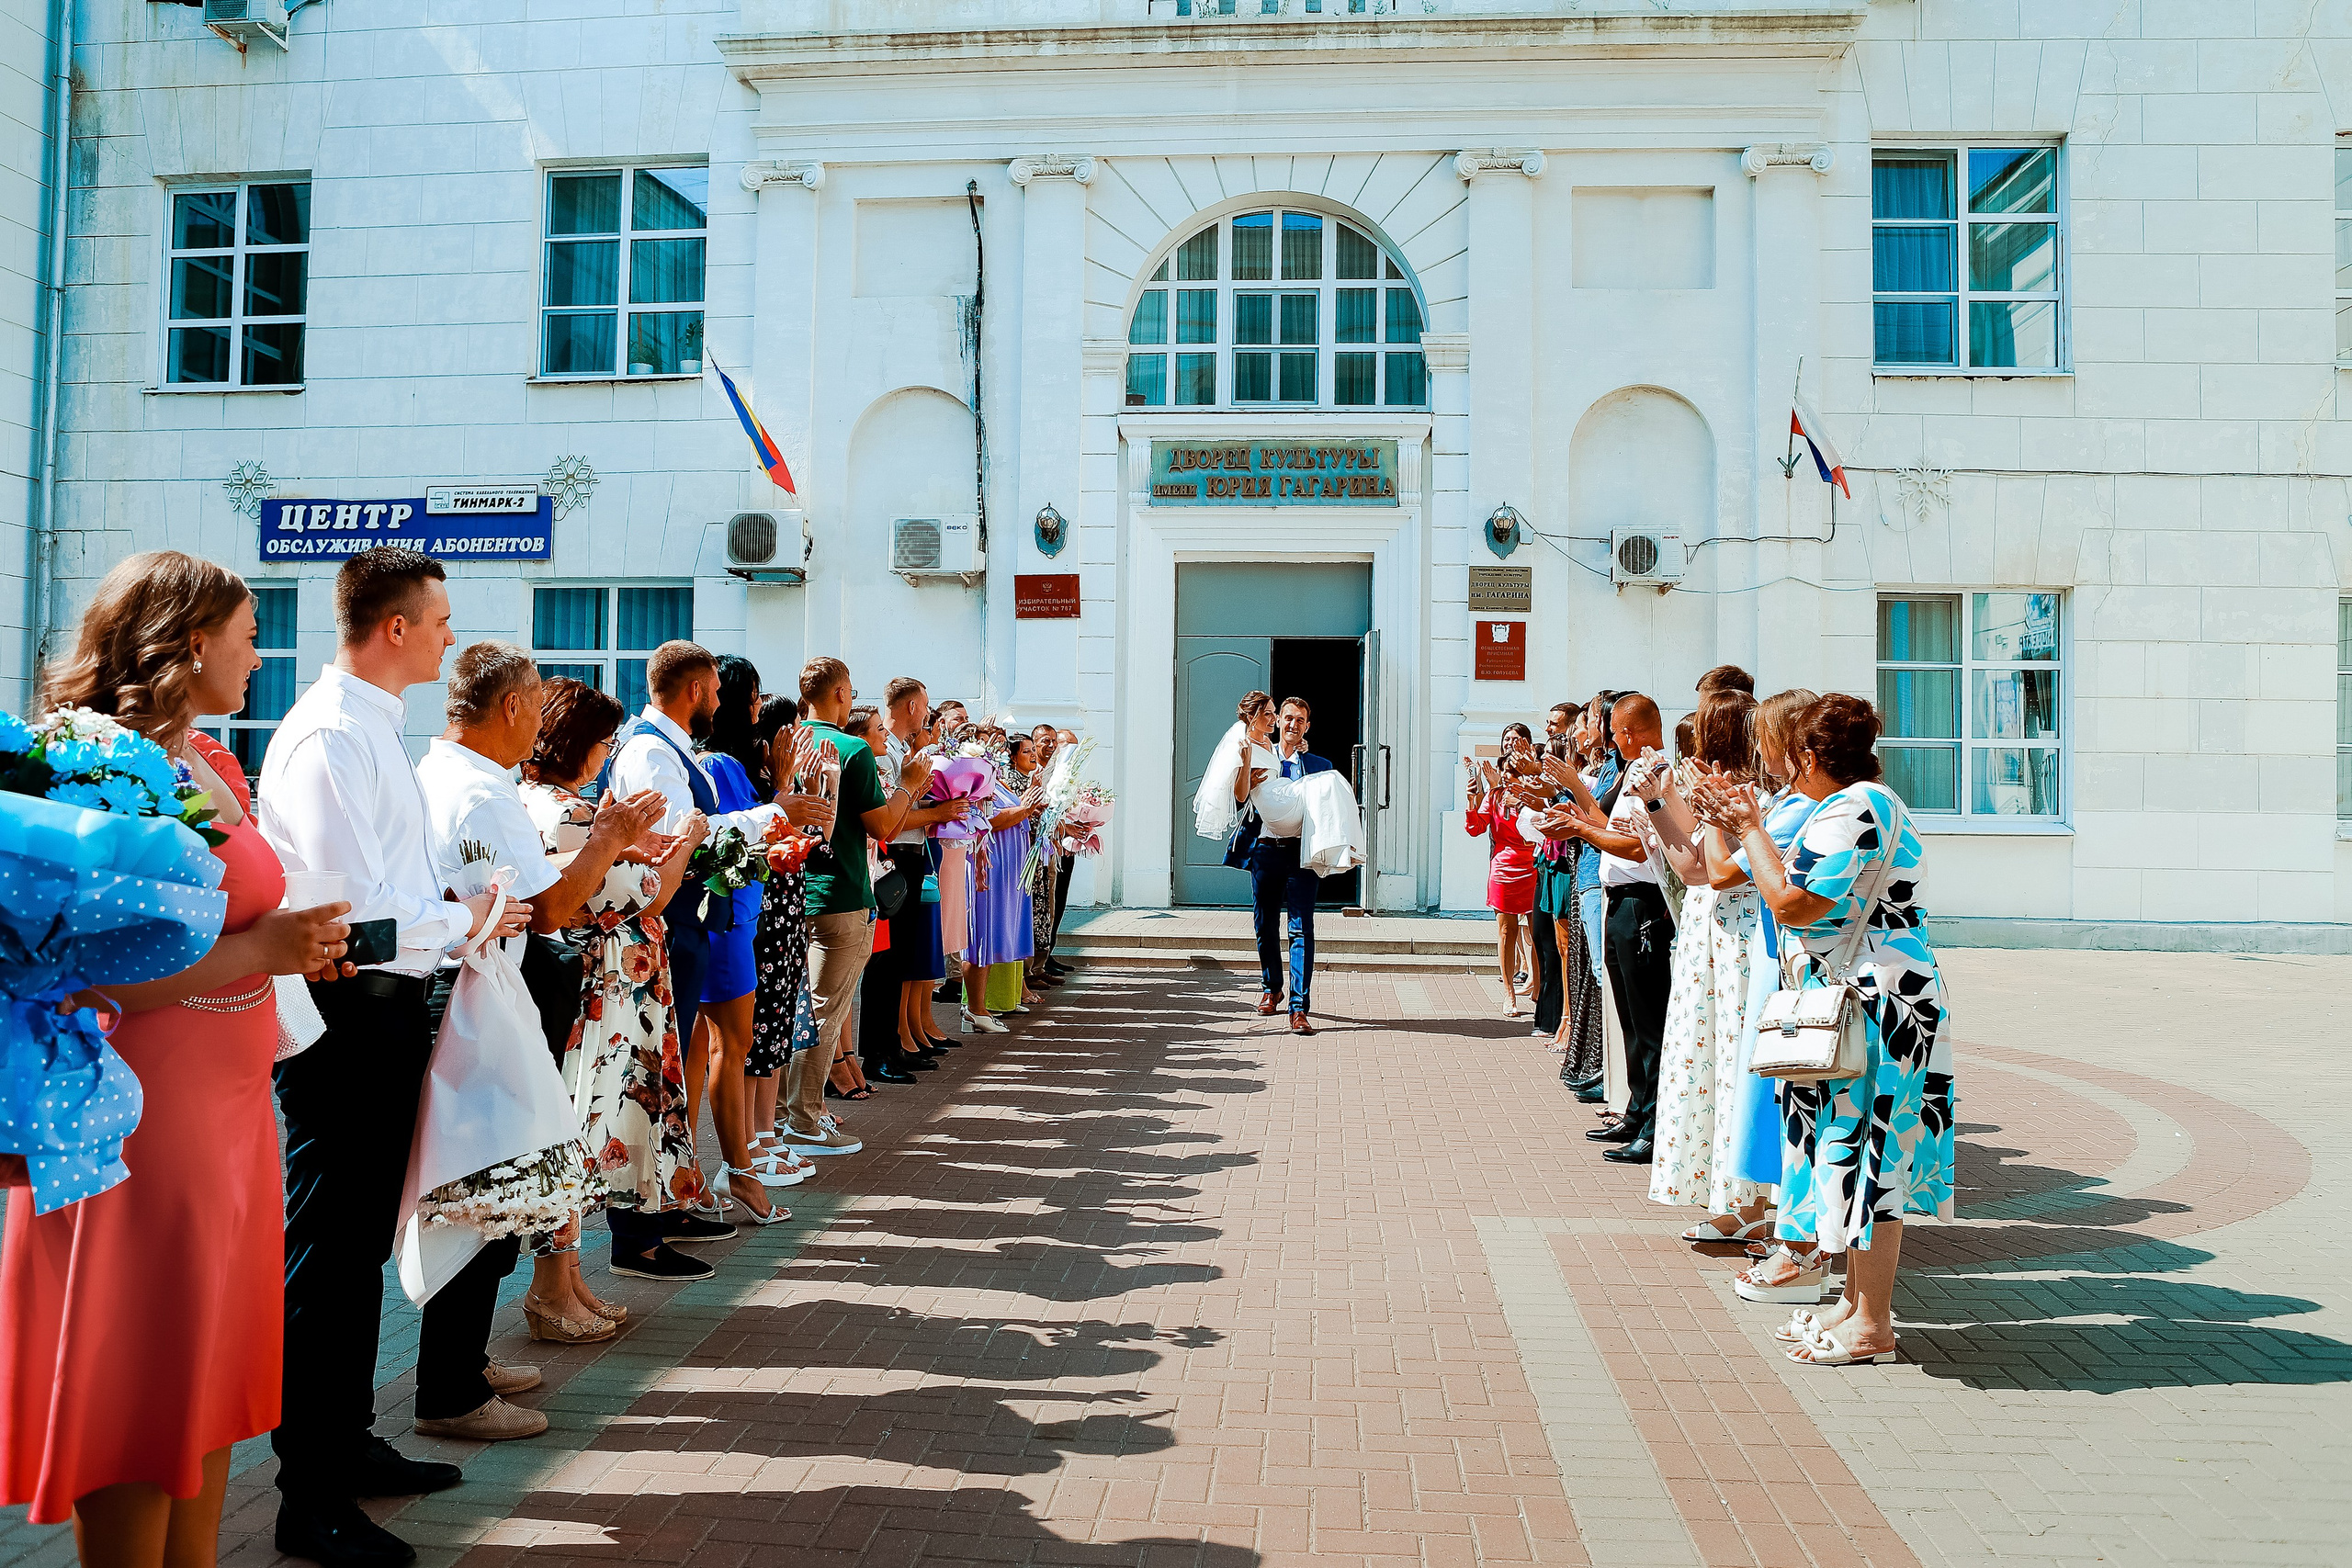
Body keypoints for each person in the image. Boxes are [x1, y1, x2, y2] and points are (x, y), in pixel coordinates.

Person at [1, 552, 354, 1565]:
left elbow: (214, 917)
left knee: (196, 1398)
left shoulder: (211, 758)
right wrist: (262, 950)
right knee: (142, 1383)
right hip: (141, 1120)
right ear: (192, 642)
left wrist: (287, 941)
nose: (259, 655)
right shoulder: (82, 765)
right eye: (248, 636)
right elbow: (71, 975)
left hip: (229, 1110)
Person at [255, 547, 535, 1564]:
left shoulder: (373, 726)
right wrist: (462, 916)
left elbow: (399, 895)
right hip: (345, 1012)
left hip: (387, 1005)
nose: (452, 634)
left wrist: (454, 913)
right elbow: (348, 913)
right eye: (441, 616)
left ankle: (345, 1442)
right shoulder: (330, 735)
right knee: (327, 1255)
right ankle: (307, 1492)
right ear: (396, 629)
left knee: (360, 1245)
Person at [419, 645, 671, 1335]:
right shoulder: (483, 789)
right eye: (535, 706)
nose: (539, 725)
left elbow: (521, 880)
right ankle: (456, 1379)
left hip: (477, 979)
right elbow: (552, 907)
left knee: (489, 1183)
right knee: (492, 1183)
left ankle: (464, 1367)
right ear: (510, 707)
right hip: (487, 986)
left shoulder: (447, 772)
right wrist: (609, 838)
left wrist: (606, 845)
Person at [1695, 694, 1952, 1366]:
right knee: (1847, 1152)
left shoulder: (1855, 808)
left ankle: (1873, 1324)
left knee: (1869, 1160)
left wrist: (1750, 825)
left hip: (1872, 1002)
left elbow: (1794, 901)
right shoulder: (1868, 802)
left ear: (1810, 756)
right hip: (1867, 995)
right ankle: (1852, 1306)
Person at [517, 681, 717, 1284]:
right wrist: (685, 842)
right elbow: (649, 892)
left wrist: (634, 840)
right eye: (603, 743)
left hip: (588, 980)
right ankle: (578, 1275)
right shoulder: (573, 813)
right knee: (607, 1120)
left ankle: (577, 1275)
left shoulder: (533, 799)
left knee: (593, 1122)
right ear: (577, 744)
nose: (608, 755)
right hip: (609, 989)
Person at [607, 640, 787, 1246]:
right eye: (714, 689)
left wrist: (765, 835)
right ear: (693, 692)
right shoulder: (655, 755)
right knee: (661, 1068)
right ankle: (642, 1225)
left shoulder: (670, 751)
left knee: (673, 1069)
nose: (719, 700)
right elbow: (678, 848)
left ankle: (664, 1203)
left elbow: (698, 841)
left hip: (688, 923)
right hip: (669, 925)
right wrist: (771, 815)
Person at [790, 657, 935, 1156]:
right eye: (850, 691)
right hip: (843, 891)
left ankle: (800, 1114)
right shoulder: (849, 748)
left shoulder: (789, 741)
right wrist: (910, 782)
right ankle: (803, 1120)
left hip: (795, 890)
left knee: (807, 1007)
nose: (853, 698)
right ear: (839, 694)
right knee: (824, 1010)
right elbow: (882, 826)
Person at [1645, 688, 1773, 1241]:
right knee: (1707, 1064)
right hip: (1711, 934)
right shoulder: (1717, 792)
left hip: (1742, 942)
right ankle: (1733, 1198)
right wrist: (1661, 803)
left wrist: (1704, 805)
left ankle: (1754, 1204)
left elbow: (1713, 870)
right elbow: (1688, 863)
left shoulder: (1756, 796)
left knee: (1737, 1064)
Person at [691, 656, 792, 1226]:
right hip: (727, 918)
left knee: (709, 1046)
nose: (760, 706)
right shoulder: (722, 763)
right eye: (753, 696)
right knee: (732, 1043)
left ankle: (698, 1171)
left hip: (735, 916)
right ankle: (740, 1169)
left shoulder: (721, 761)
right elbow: (746, 838)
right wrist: (780, 787)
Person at [1552, 692, 1673, 1164]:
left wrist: (1582, 831)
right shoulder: (1630, 773)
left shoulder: (1653, 772)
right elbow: (1612, 828)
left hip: (1642, 902)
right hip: (1618, 899)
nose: (1609, 737)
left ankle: (1654, 1118)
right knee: (1627, 1016)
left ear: (1626, 732)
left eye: (1613, 730)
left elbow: (1635, 847)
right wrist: (1581, 822)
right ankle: (1637, 1109)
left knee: (1648, 1020)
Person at [1193, 693, 1354, 1036]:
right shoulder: (1257, 750)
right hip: (1265, 850)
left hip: (1302, 854)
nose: (1293, 724)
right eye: (1288, 718)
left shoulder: (1320, 766)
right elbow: (1238, 798)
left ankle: (1299, 1008)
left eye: (1300, 720)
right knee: (1265, 925)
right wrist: (1247, 780)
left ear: (1307, 726)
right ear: (1278, 721)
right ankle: (1272, 987)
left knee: (1301, 927)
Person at [967, 734, 1044, 1026]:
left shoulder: (997, 780)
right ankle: (978, 1006)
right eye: (993, 745)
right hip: (992, 863)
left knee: (1004, 929)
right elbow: (993, 819)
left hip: (1010, 864)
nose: (998, 751)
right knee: (986, 934)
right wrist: (1026, 807)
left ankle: (1004, 997)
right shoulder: (977, 781)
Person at [1464, 723, 1539, 1018]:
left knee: (1537, 933)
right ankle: (1509, 993)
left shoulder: (1536, 792)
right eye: (1506, 772)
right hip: (1504, 869)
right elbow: (1475, 828)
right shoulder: (1494, 797)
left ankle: (1538, 986)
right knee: (1507, 932)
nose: (1510, 777)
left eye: (1515, 772)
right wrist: (1473, 798)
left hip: (1533, 866)